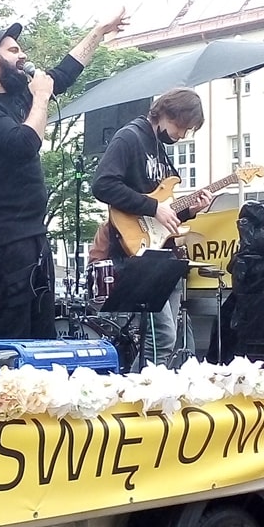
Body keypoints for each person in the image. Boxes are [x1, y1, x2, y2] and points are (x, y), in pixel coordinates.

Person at [0, 10, 128, 338]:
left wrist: (98, 32)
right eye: (13, 50)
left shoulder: (19, 96)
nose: (23, 55)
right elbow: (25, 143)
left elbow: (62, 74)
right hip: (2, 241)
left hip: (32, 236)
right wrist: (39, 98)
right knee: (13, 334)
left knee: (42, 334)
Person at [90, 88, 214, 366]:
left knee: (166, 339)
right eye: (181, 127)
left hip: (162, 253)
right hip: (137, 254)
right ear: (168, 113)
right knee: (162, 337)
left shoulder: (159, 149)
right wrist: (153, 207)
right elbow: (102, 185)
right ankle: (141, 390)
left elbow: (160, 213)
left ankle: (142, 387)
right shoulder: (129, 138)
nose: (182, 135)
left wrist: (189, 211)